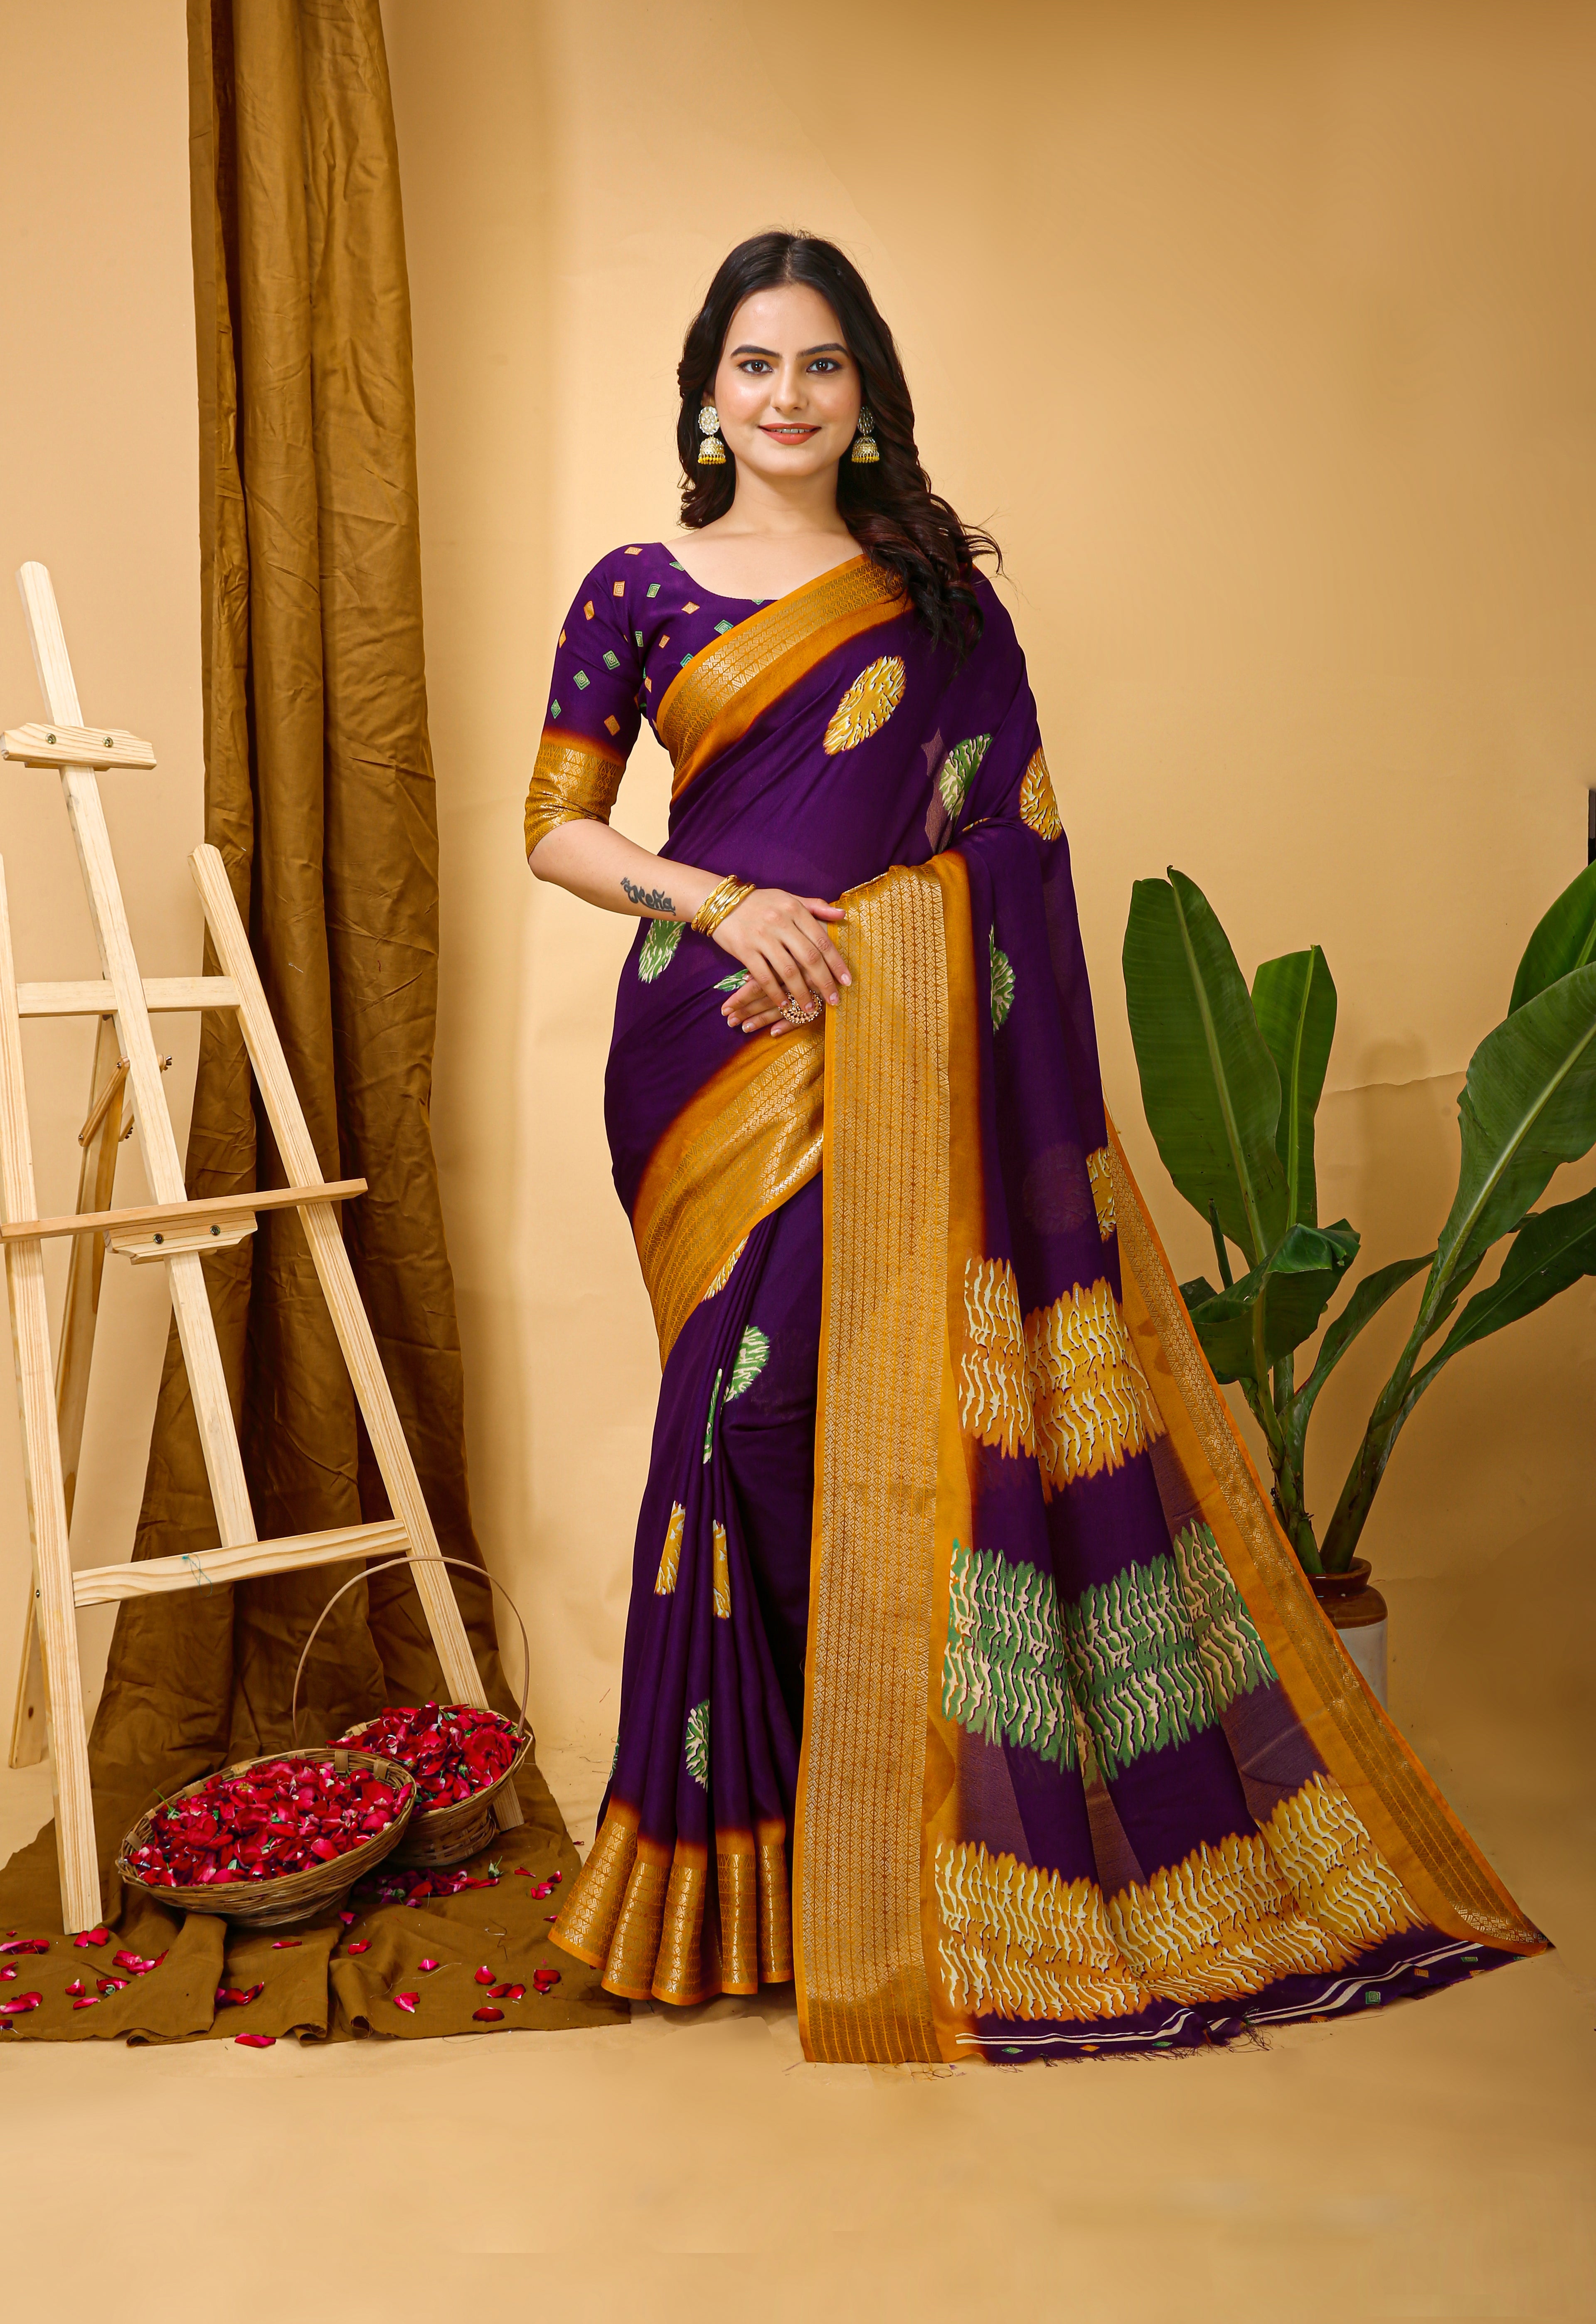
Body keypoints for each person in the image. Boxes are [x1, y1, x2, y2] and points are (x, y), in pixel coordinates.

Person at [525, 230, 1541, 2063]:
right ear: (705, 390)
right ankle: (752, 1870)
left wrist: (869, 953)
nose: (787, 396)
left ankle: (882, 1844)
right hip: (704, 1058)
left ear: (868, 393)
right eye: (756, 363)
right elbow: (558, 827)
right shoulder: (637, 586)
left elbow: (1018, 845)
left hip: (896, 1047)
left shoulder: (936, 597)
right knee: (739, 1425)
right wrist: (724, 907)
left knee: (835, 1419)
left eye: (823, 365)